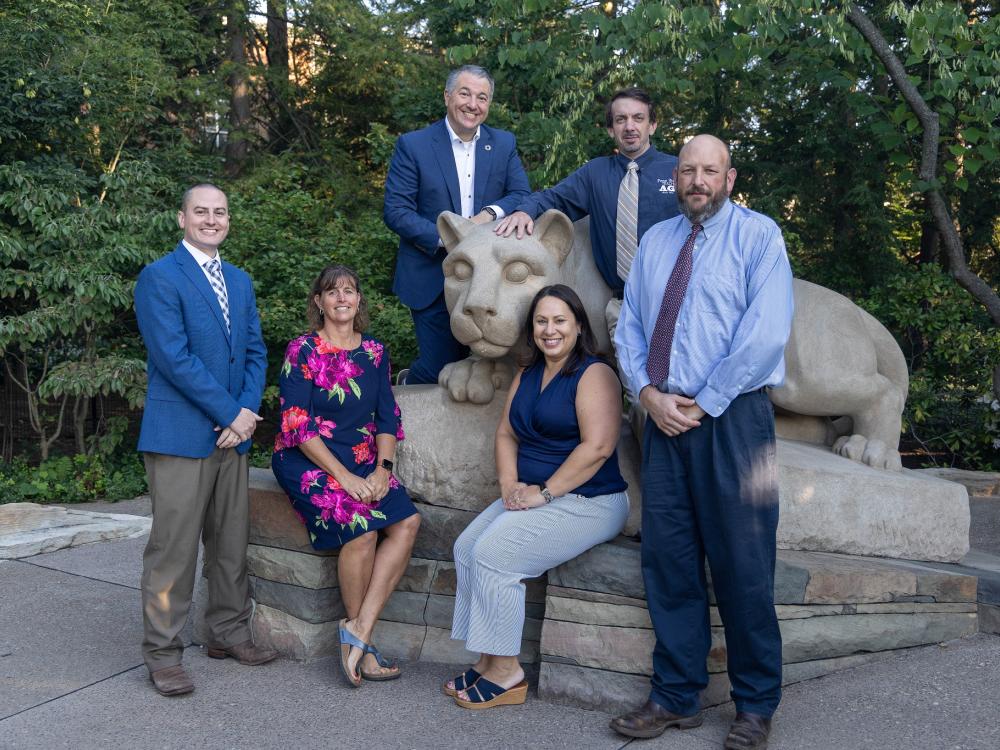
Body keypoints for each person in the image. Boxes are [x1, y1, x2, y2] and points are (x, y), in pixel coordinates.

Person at [611, 135, 794, 749]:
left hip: (733, 421)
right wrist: (647, 394)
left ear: (729, 178)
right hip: (664, 422)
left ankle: (755, 704)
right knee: (670, 563)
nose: (697, 180)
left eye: (709, 171)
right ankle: (675, 695)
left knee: (744, 566)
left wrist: (705, 400)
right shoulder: (657, 243)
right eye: (687, 170)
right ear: (676, 179)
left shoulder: (759, 237)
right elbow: (630, 326)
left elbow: (764, 334)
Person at [445, 284, 629, 709]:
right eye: (541, 321)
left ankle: (508, 673)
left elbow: (598, 446)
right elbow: (507, 432)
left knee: (495, 554)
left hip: (590, 501)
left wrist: (544, 493)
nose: (550, 330)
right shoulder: (529, 372)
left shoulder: (595, 373)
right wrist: (509, 485)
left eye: (560, 320)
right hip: (533, 493)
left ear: (579, 325)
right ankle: (489, 659)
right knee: (468, 547)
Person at [134, 183, 276, 697]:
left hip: (230, 438)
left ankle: (227, 633)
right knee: (172, 552)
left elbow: (256, 351)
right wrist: (230, 412)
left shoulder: (239, 281)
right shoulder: (159, 277)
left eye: (219, 212)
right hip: (180, 436)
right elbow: (174, 360)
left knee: (230, 545)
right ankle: (163, 654)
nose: (211, 219)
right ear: (182, 219)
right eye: (201, 211)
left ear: (228, 220)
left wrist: (242, 416)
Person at [271, 264, 421, 688]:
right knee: (362, 530)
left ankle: (359, 629)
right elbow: (297, 424)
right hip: (307, 459)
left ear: (359, 300)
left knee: (408, 521)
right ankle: (363, 648)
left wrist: (382, 469)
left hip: (362, 459)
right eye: (332, 292)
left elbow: (387, 417)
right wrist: (346, 479)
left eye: (349, 291)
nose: (342, 299)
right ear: (318, 302)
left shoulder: (374, 351)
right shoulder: (303, 350)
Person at [383, 64, 531, 385]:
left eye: (482, 97)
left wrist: (487, 216)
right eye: (465, 93)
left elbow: (521, 194)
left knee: (486, 370)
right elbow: (396, 210)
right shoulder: (414, 145)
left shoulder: (503, 144)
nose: (472, 104)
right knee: (440, 368)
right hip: (431, 275)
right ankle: (407, 387)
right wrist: (449, 239)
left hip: (488, 281)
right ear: (447, 96)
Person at [495, 87, 680, 338]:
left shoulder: (678, 170)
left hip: (676, 302)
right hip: (623, 306)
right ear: (610, 129)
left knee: (678, 376)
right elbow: (553, 198)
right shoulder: (595, 174)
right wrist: (524, 211)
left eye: (638, 118)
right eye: (620, 120)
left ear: (653, 125)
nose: (630, 126)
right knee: (632, 377)